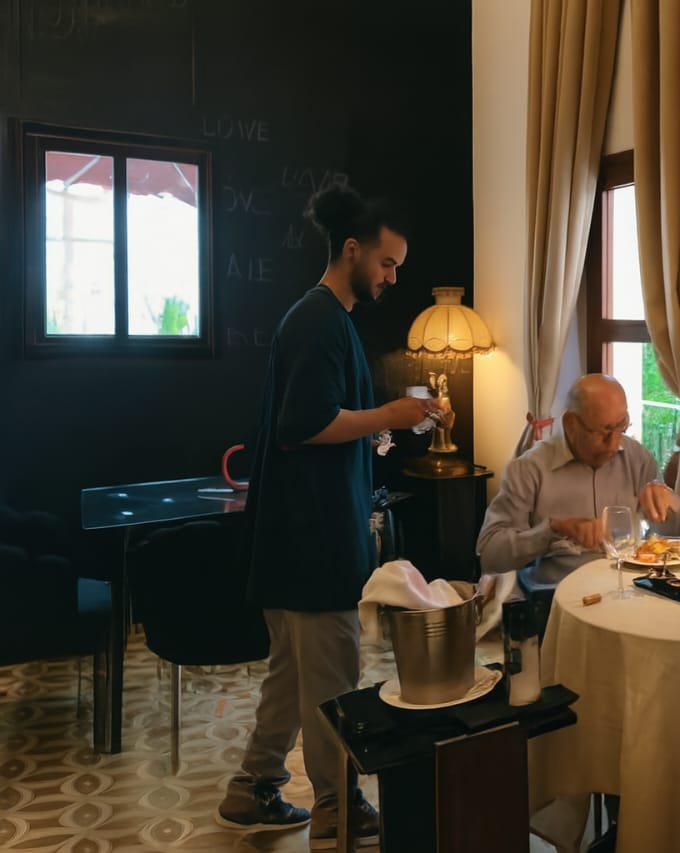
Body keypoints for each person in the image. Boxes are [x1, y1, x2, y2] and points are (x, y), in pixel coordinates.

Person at [215, 185, 440, 849]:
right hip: (313, 547)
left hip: (293, 544)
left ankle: (250, 786)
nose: (392, 277)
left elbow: (332, 425)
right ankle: (339, 812)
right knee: (334, 687)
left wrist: (392, 425)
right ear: (352, 250)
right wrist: (392, 415)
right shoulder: (318, 319)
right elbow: (305, 424)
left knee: (292, 679)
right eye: (387, 263)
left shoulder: (325, 320)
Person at [475, 373, 680, 610]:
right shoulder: (529, 470)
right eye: (604, 432)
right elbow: (490, 556)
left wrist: (669, 503)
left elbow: (674, 534)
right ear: (570, 424)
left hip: (631, 593)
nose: (615, 443)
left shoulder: (636, 457)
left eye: (621, 427)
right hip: (558, 602)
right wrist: (552, 530)